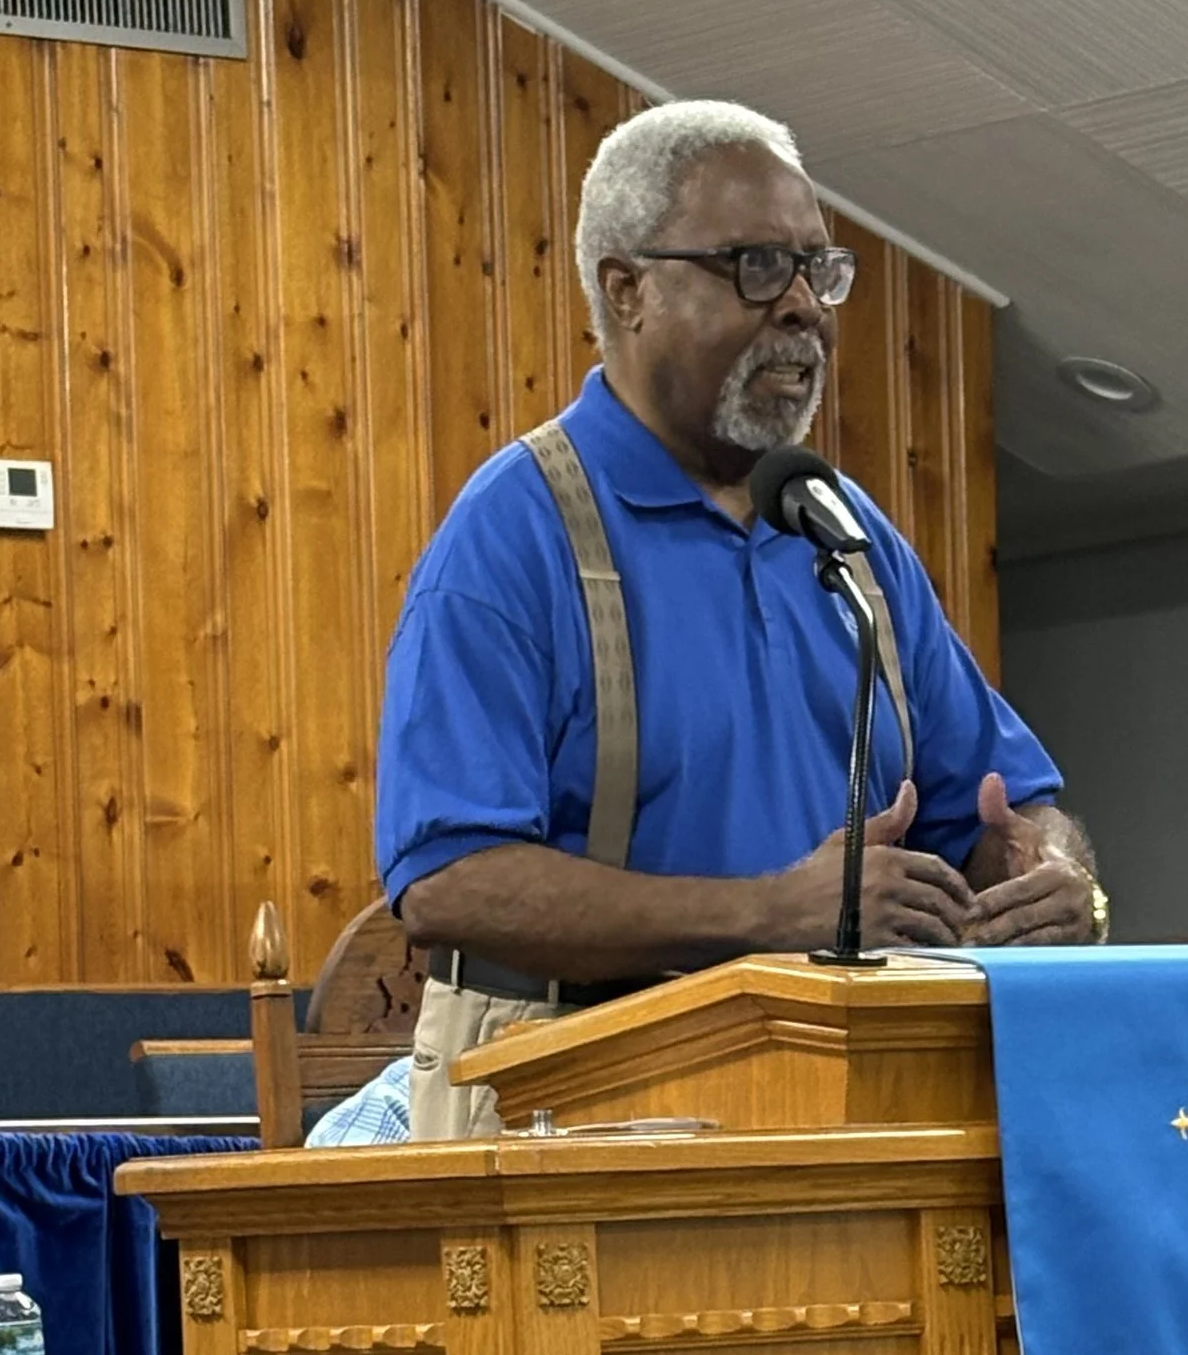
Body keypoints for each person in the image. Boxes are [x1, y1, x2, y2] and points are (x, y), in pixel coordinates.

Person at [374, 96, 1103, 1137]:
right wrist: (768, 915)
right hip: (569, 1094)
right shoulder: (515, 535)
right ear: (625, 290)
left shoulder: (843, 533)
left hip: (846, 1093)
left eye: (818, 270)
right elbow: (450, 883)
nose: (803, 306)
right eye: (757, 267)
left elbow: (1002, 802)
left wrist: (1050, 875)